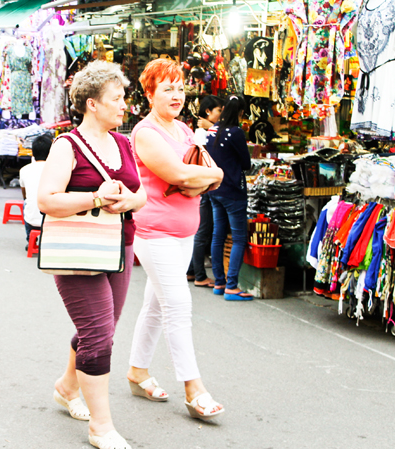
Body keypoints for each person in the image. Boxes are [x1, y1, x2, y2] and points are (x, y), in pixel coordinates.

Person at [37, 60, 147, 449]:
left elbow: (142, 194)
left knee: (101, 329)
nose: (124, 106)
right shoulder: (65, 145)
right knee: (99, 335)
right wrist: (98, 198)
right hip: (79, 249)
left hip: (120, 245)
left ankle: (68, 386)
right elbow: (46, 199)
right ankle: (101, 427)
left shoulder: (124, 142)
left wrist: (128, 200)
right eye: (116, 99)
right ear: (91, 104)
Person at [127, 58, 225, 420]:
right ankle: (193, 388)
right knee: (178, 308)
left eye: (180, 87)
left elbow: (215, 174)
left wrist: (199, 176)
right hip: (156, 234)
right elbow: (179, 173)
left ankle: (137, 371)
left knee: (154, 307)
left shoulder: (183, 130)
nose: (176, 95)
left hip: (184, 234)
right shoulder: (146, 132)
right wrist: (199, 175)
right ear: (149, 92)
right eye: (166, 88)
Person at [205, 94, 254, 301]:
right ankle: (232, 286)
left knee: (218, 234)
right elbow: (246, 163)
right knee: (238, 238)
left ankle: (219, 282)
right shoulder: (236, 133)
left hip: (214, 189)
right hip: (233, 191)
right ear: (241, 112)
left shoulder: (212, 130)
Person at [187, 95, 224, 288]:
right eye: (219, 110)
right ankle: (200, 275)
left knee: (204, 230)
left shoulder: (206, 128)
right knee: (203, 231)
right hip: (205, 185)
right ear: (208, 112)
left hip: (207, 184)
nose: (222, 114)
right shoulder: (202, 131)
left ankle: (193, 271)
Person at [19, 133, 53, 247]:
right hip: (51, 218)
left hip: (32, 219)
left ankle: (30, 239)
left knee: (26, 203)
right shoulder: (56, 169)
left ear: (32, 152)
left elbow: (24, 194)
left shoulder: (24, 170)